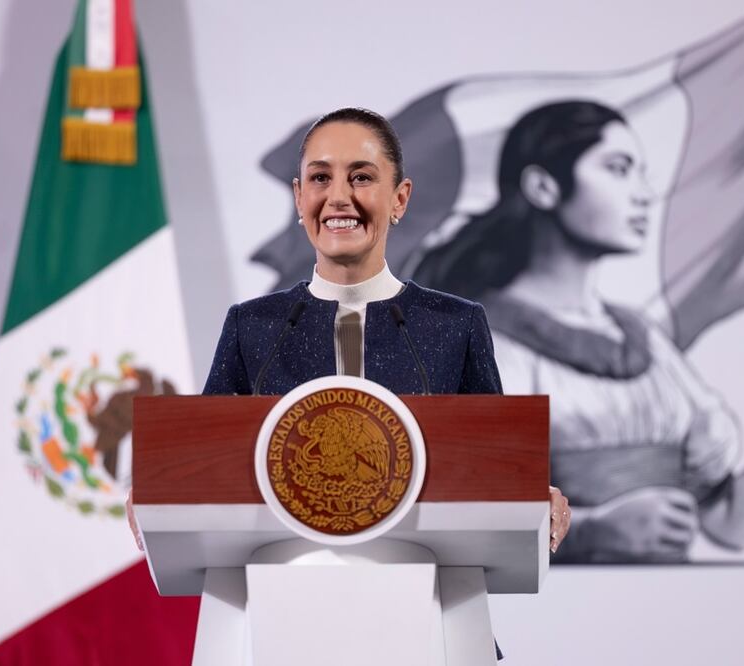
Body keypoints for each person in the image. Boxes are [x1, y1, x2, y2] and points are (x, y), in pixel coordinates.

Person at [412, 101, 744, 563]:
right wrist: (590, 531)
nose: (643, 193)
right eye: (618, 169)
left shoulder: (647, 344)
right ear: (543, 187)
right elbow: (458, 526)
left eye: (641, 173)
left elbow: (729, 523)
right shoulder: (483, 340)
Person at [128, 107, 571, 552]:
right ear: (300, 199)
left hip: (422, 592)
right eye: (320, 178)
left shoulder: (455, 325)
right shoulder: (253, 327)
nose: (338, 197)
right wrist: (161, 494)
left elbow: (497, 470)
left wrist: (533, 496)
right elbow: (205, 470)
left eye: (361, 177)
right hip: (285, 592)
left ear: (399, 199)